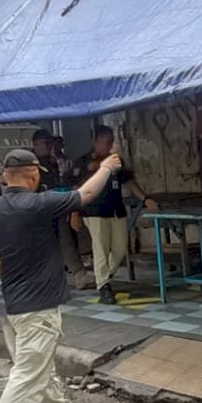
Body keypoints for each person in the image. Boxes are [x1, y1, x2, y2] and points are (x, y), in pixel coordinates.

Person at [0, 147, 124, 403]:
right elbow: (86, 194)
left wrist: (6, 273)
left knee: (38, 367)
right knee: (28, 375)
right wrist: (107, 168)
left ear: (5, 177)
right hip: (38, 309)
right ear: (33, 175)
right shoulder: (38, 204)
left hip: (14, 306)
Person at [73, 125, 159, 304]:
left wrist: (144, 198)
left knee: (120, 248)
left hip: (116, 210)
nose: (110, 145)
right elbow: (77, 190)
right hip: (94, 211)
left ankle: (104, 275)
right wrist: (74, 212)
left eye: (112, 141)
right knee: (101, 248)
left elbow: (128, 180)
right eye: (107, 141)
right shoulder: (84, 162)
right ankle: (103, 285)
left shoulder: (116, 160)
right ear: (97, 141)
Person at [33, 129, 83, 276]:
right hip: (36, 208)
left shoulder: (52, 162)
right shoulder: (30, 163)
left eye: (51, 143)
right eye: (46, 143)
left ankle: (76, 272)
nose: (50, 146)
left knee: (65, 237)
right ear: (36, 144)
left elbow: (57, 182)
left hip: (54, 204)